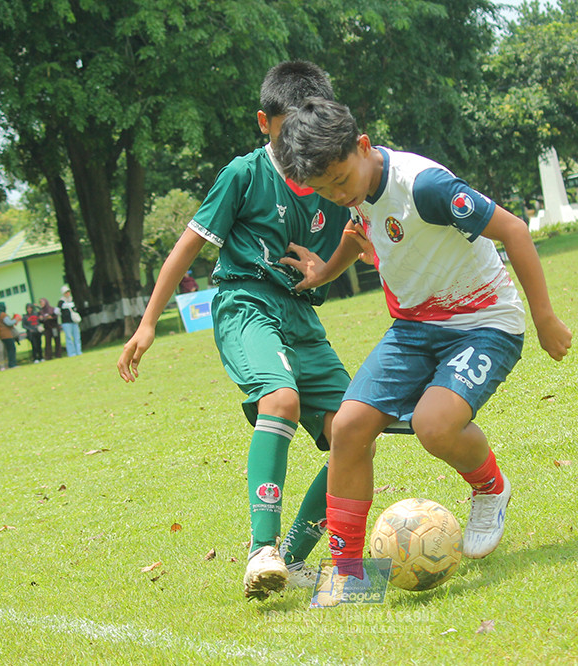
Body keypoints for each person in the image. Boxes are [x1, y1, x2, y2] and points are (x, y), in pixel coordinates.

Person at [273, 98, 572, 596]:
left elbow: (514, 230)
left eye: (341, 181)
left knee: (434, 426)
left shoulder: (426, 187)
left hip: (484, 324)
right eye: (325, 191)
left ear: (364, 146)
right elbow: (358, 228)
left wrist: (544, 318)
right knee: (348, 427)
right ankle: (349, 576)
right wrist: (323, 271)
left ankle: (490, 489)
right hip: (413, 328)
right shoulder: (357, 189)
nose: (339, 195)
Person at [116, 61, 357, 600]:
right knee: (280, 399)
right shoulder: (244, 175)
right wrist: (149, 322)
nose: (301, 136)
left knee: (353, 430)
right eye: (289, 123)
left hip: (301, 315)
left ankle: (290, 561)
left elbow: (358, 242)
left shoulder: (331, 178)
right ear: (264, 122)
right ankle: (261, 549)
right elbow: (188, 247)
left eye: (311, 122)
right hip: (246, 303)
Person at [57, 285, 83, 357]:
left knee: (77, 337)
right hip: (66, 322)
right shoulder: (61, 301)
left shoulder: (72, 300)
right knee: (69, 338)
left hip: (74, 321)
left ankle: (79, 351)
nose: (67, 293)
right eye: (66, 292)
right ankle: (71, 353)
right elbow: (57, 311)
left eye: (68, 292)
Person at [0, 302, 19, 368]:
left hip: (3, 335)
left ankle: (11, 364)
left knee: (9, 349)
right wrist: (15, 320)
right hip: (7, 335)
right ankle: (12, 364)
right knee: (11, 349)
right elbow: (9, 323)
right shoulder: (3, 315)